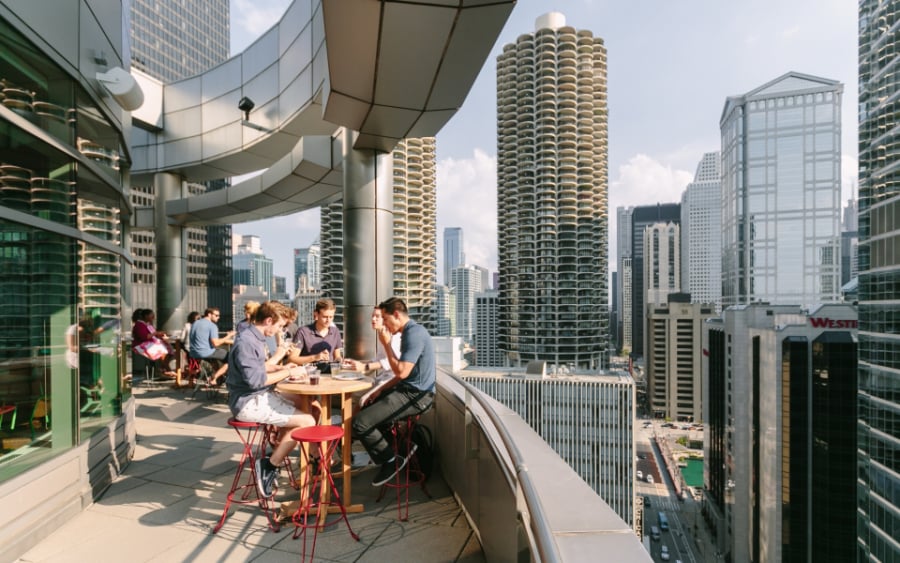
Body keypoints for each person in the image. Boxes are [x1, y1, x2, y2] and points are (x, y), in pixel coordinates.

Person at [225, 301, 317, 498]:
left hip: (255, 395)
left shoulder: (253, 337)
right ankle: (269, 465)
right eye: (280, 325)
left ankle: (301, 452)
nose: (280, 330)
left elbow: (259, 368)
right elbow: (256, 381)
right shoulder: (247, 342)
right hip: (247, 402)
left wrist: (284, 368)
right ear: (268, 321)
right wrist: (287, 373)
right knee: (307, 421)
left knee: (308, 404)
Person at [351, 297, 435, 487]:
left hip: (416, 396)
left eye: (386, 319)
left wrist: (387, 344)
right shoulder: (411, 332)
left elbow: (402, 371)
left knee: (360, 423)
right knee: (368, 407)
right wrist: (381, 390)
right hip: (408, 389)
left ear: (396, 315)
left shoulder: (413, 334)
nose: (386, 325)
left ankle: (391, 460)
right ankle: (401, 449)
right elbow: (406, 373)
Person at [343, 307, 402, 407]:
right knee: (353, 394)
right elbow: (378, 360)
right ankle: (349, 422)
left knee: (363, 400)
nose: (373, 319)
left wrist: (365, 367)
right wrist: (357, 363)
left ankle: (354, 422)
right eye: (372, 316)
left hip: (392, 381)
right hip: (383, 377)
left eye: (377, 316)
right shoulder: (381, 333)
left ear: (385, 319)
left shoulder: (395, 336)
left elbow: (390, 362)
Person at [287, 298, 343, 372]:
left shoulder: (335, 331)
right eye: (325, 317)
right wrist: (315, 357)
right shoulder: (303, 332)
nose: (328, 320)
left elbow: (337, 356)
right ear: (316, 314)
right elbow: (291, 359)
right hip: (309, 375)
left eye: (331, 317)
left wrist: (339, 361)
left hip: (330, 375)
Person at [188, 307, 235, 383]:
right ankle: (214, 377)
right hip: (206, 352)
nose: (218, 317)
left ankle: (219, 378)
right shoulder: (212, 326)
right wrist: (229, 335)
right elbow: (216, 343)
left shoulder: (195, 323)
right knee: (233, 358)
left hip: (193, 353)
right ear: (209, 314)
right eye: (216, 315)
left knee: (215, 356)